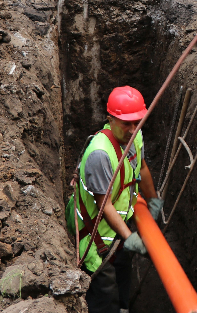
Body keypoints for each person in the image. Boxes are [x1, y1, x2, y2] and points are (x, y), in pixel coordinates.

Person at [72, 86, 164, 313]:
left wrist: (153, 203)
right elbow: (105, 205)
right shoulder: (100, 154)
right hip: (95, 240)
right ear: (110, 120)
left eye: (138, 122)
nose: (133, 129)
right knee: (105, 299)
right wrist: (131, 238)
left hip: (119, 232)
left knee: (123, 283)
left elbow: (141, 168)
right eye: (126, 123)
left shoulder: (135, 134)